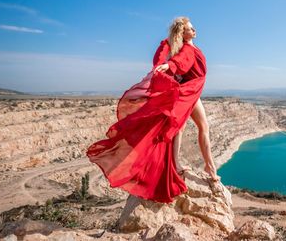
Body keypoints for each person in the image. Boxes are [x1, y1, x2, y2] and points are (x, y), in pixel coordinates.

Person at [86, 16, 221, 203]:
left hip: (193, 91)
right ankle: (193, 165)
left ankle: (204, 165)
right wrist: (169, 65)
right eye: (190, 28)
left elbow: (170, 51)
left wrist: (167, 59)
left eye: (194, 28)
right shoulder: (187, 49)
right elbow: (182, 60)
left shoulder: (186, 46)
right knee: (179, 127)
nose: (195, 30)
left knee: (197, 126)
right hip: (186, 91)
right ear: (183, 33)